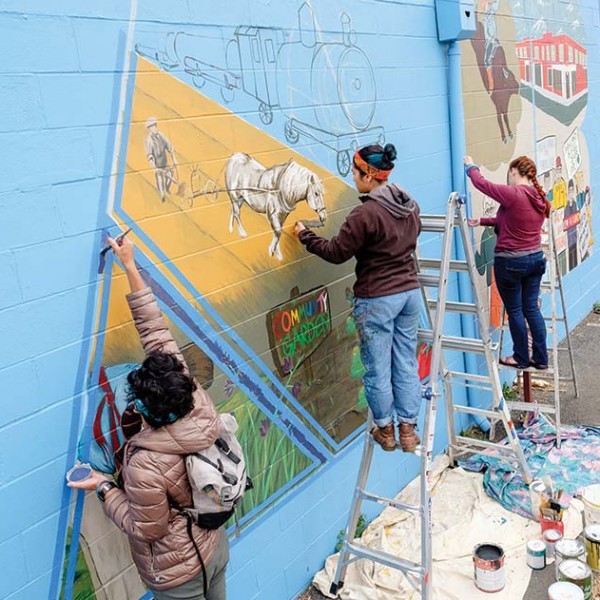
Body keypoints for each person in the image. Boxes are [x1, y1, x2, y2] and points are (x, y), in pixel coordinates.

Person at [68, 236, 228, 600]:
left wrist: (104, 488)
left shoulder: (146, 464)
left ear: (144, 410)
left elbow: (145, 529)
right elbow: (155, 332)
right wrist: (129, 265)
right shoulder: (195, 399)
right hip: (215, 547)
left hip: (178, 575)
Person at [293, 143, 422, 452]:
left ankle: (386, 432)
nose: (352, 178)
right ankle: (408, 430)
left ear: (369, 175)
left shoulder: (365, 214)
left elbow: (337, 253)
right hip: (409, 295)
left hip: (378, 299)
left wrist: (304, 235)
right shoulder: (410, 206)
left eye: (355, 172)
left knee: (378, 368)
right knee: (405, 362)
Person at [464, 154, 551, 370]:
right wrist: (482, 221)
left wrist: (470, 166)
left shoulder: (514, 194)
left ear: (514, 172)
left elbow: (482, 184)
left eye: (509, 174)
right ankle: (540, 358)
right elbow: (510, 220)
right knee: (531, 308)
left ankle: (520, 358)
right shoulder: (538, 198)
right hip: (535, 260)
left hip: (511, 262)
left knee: (515, 310)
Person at [145, 117, 178, 202]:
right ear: (149, 128)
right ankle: (162, 196)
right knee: (160, 180)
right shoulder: (149, 140)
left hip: (165, 162)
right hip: (157, 165)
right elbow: (150, 156)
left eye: (154, 126)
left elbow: (170, 147)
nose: (154, 128)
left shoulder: (161, 135)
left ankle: (167, 188)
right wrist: (154, 168)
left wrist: (174, 159)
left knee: (171, 174)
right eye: (151, 127)